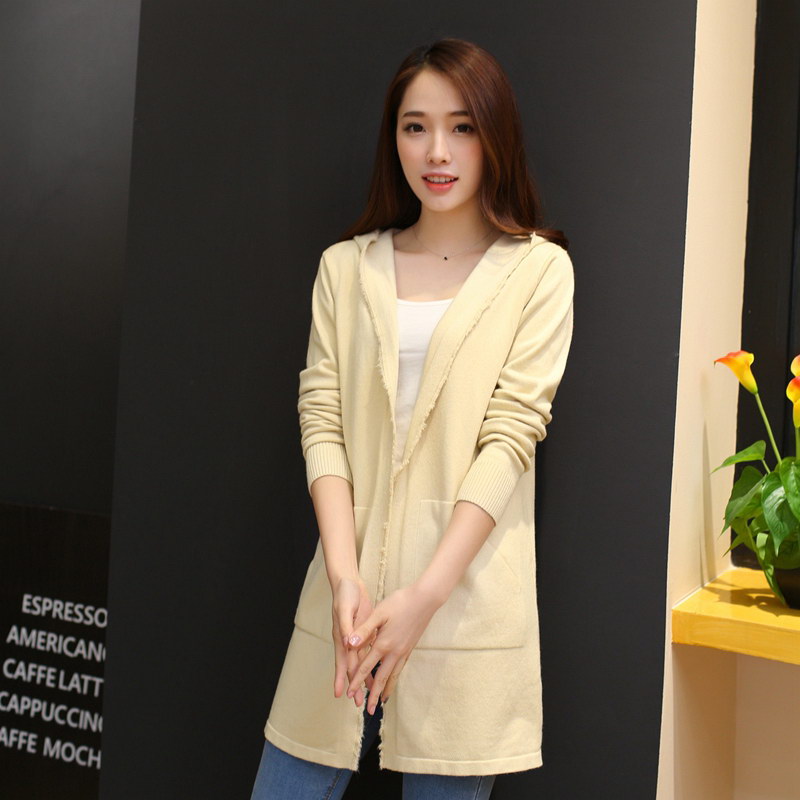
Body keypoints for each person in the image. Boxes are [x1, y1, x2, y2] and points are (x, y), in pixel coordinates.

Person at [250, 37, 574, 800]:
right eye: (415, 126)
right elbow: (322, 421)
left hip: (460, 608)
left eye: (462, 127)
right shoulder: (345, 268)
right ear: (392, 137)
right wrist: (343, 577)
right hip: (346, 609)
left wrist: (424, 596)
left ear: (495, 136)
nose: (437, 152)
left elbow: (510, 439)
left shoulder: (538, 271)